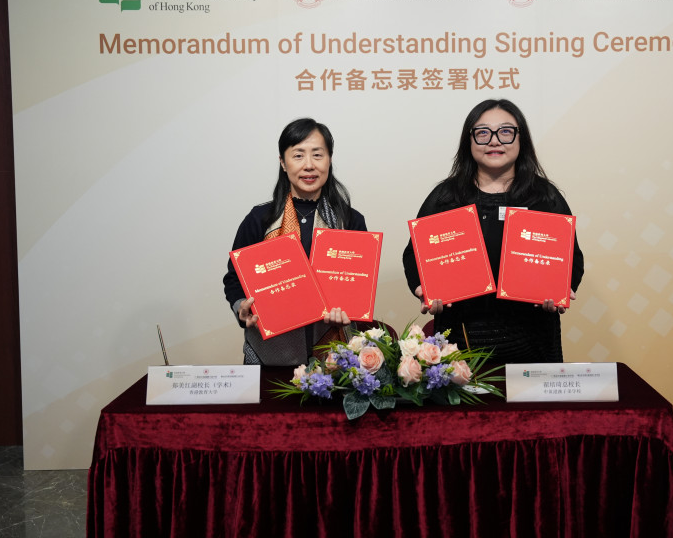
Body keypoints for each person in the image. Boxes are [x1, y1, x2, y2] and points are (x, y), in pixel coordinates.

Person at [402, 99, 584, 363]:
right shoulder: (446, 197)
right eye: (483, 132)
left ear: (521, 140)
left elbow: (572, 260)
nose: (494, 141)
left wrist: (560, 289)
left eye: (506, 132)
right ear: (470, 140)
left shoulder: (544, 197)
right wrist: (424, 289)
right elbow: (415, 257)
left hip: (532, 341)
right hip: (460, 344)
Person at [224, 118, 367, 365]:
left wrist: (349, 308)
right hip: (270, 358)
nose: (309, 165)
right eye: (298, 155)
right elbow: (234, 278)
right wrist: (241, 307)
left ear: (329, 160)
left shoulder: (350, 220)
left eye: (318, 155)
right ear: (283, 162)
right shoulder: (261, 219)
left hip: (335, 360)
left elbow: (359, 284)